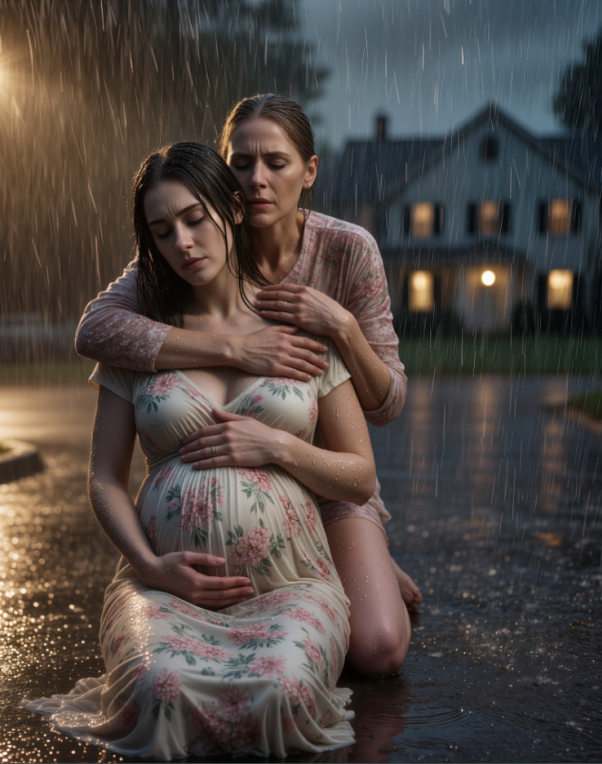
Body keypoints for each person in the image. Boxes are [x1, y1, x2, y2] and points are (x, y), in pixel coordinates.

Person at [26, 142, 377, 758]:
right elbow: (104, 477)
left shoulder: (302, 331)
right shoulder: (140, 339)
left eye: (194, 219)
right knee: (158, 690)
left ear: (233, 210)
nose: (182, 243)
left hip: (290, 584)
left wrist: (277, 445)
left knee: (281, 692)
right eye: (162, 232)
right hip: (164, 587)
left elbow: (360, 477)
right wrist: (148, 566)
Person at [76, 94, 419, 675]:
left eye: (276, 163)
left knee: (378, 647)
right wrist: (234, 346)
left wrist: (341, 326)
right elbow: (96, 329)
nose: (257, 179)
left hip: (325, 471)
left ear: (309, 172)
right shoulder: (187, 243)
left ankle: (360, 556)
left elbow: (386, 406)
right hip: (218, 513)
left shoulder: (345, 249)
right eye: (240, 163)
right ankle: (355, 569)